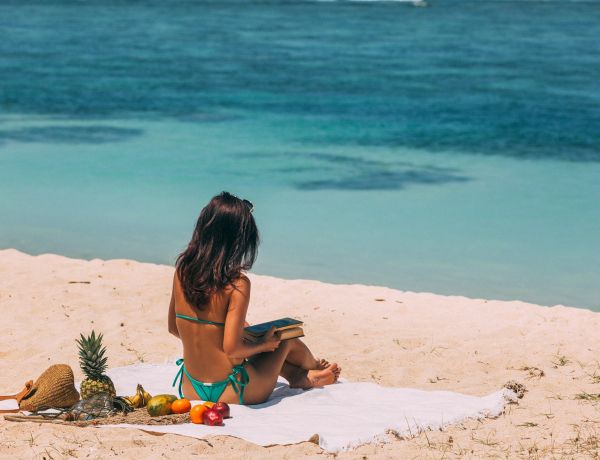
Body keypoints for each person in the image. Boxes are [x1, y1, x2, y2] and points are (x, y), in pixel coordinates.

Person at [168, 191, 341, 405]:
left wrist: (212, 335)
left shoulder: (182, 271)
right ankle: (310, 371)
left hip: (190, 388)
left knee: (248, 333)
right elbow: (233, 349)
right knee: (284, 338)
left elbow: (174, 328)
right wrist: (264, 346)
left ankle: (296, 373)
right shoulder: (237, 284)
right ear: (239, 239)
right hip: (234, 391)